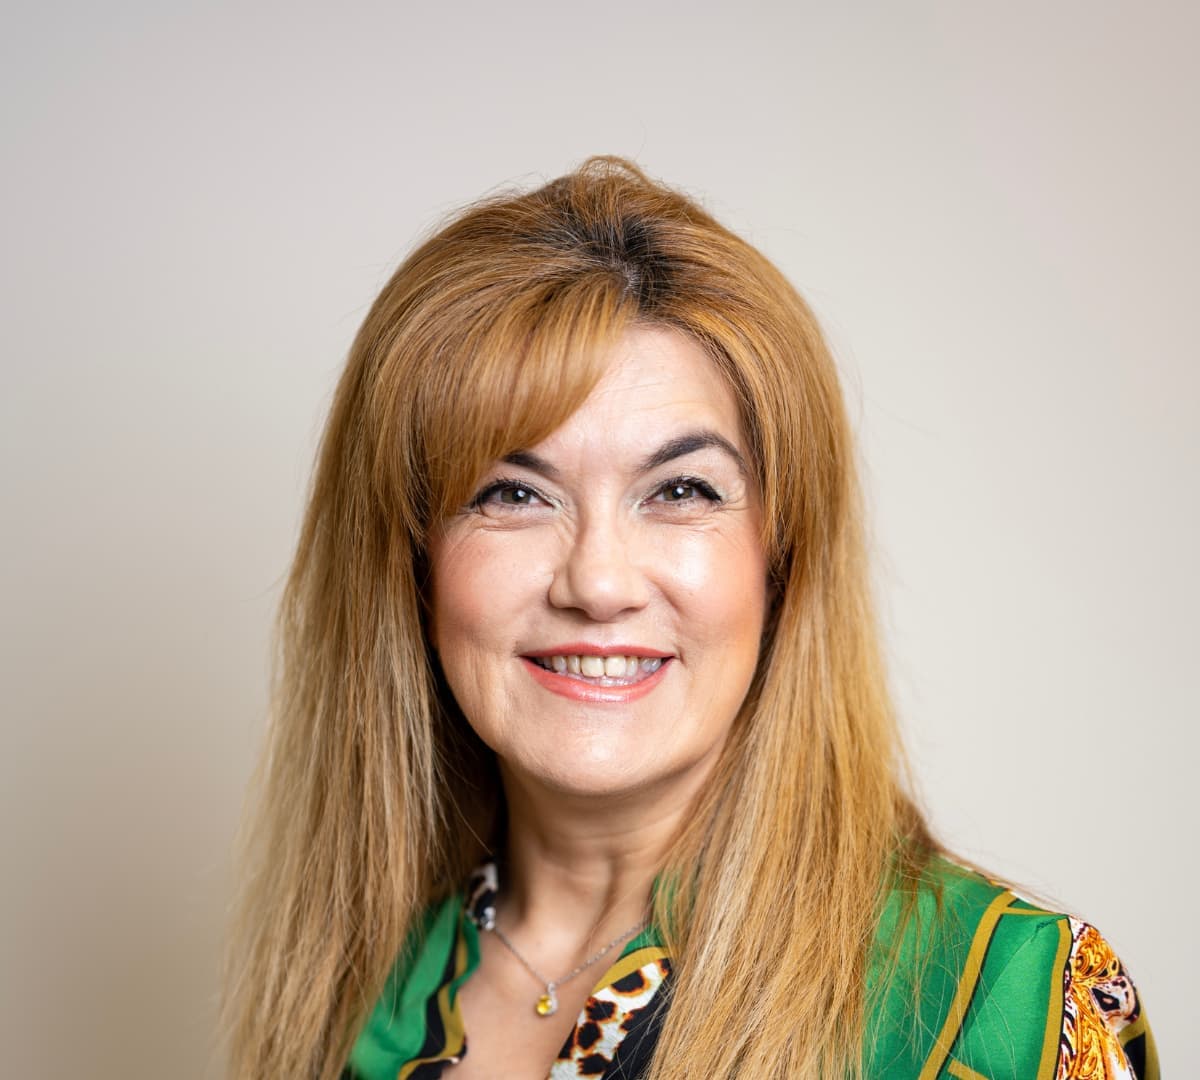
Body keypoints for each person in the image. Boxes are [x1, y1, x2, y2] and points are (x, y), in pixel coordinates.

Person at [224, 158, 1157, 1079]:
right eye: (511, 493)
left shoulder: (1001, 1004)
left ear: (778, 557)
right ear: (414, 563)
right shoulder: (345, 991)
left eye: (679, 489)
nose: (596, 582)